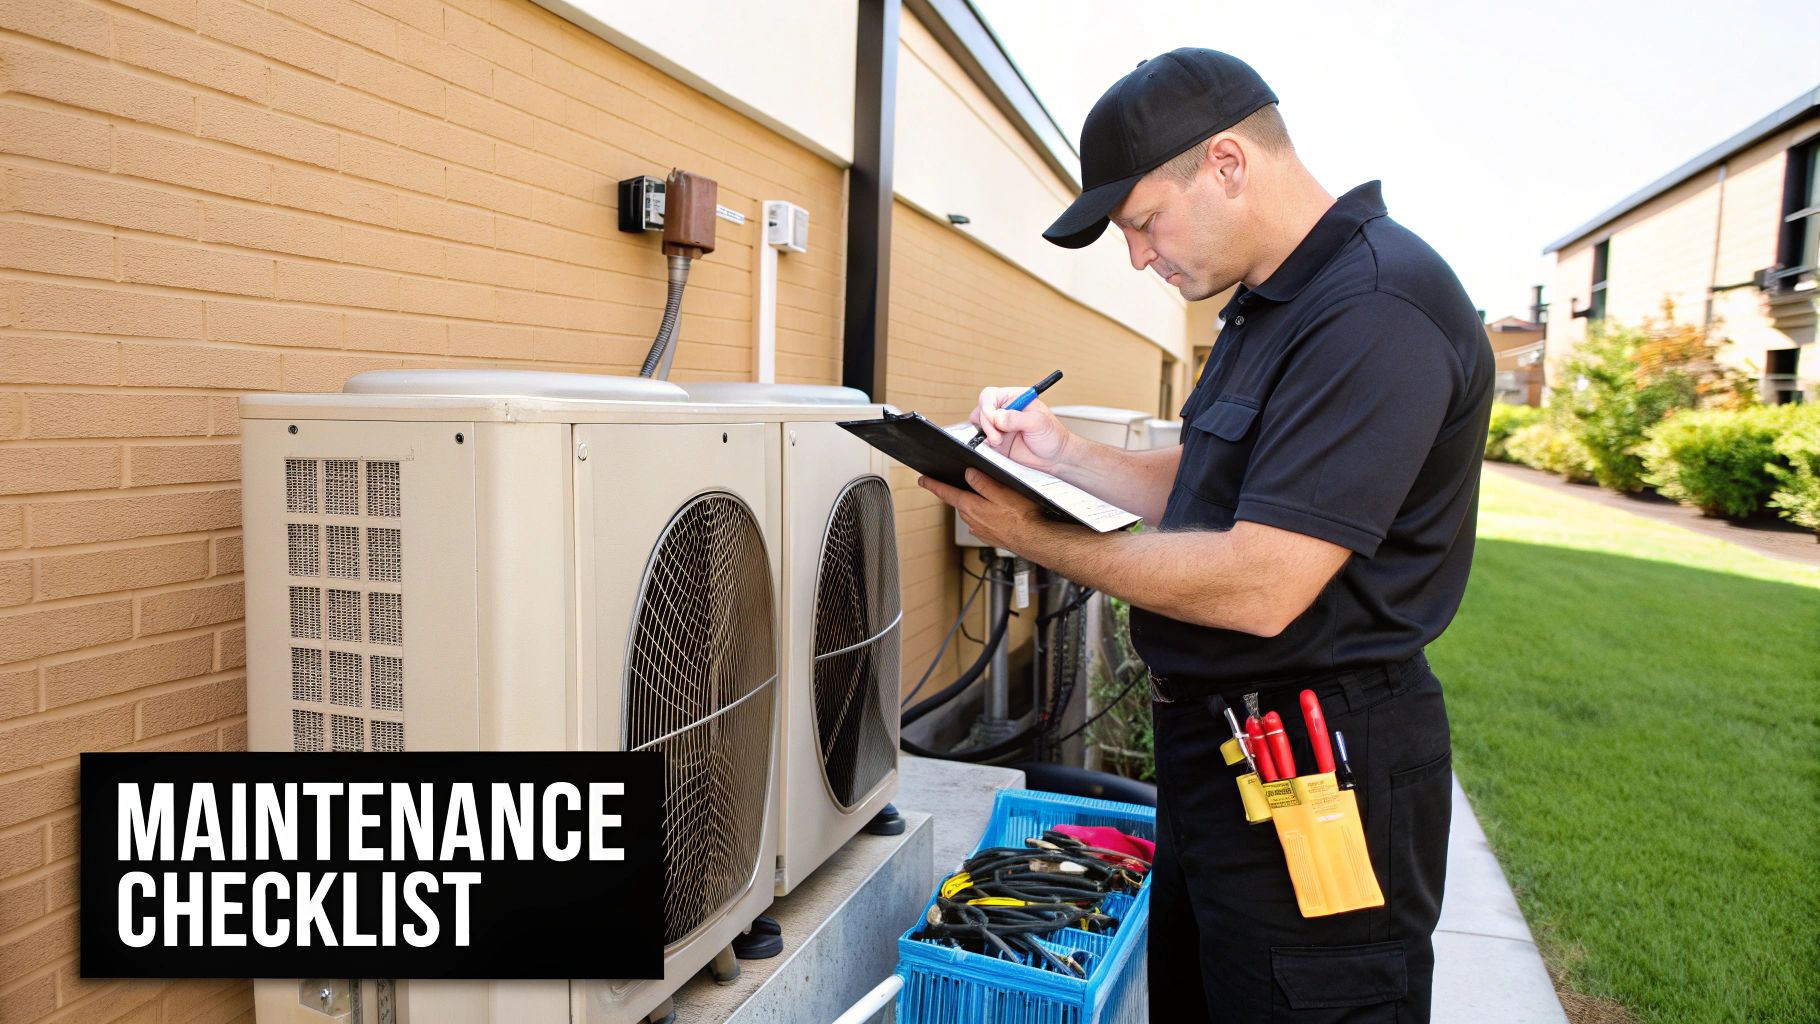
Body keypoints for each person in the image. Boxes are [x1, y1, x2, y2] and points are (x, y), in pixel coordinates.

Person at [915, 48, 1493, 1021]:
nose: (1139, 257)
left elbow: (1261, 577)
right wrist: (1054, 457)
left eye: (1141, 223)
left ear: (1225, 162)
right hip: (1219, 755)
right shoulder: (1268, 307)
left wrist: (1035, 538)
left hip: (1321, 762)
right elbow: (1208, 482)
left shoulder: (1374, 308)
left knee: (1303, 1000)